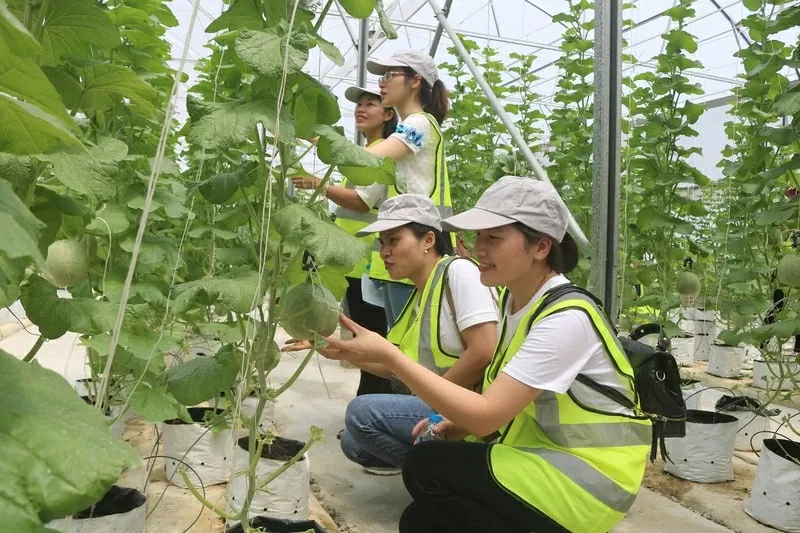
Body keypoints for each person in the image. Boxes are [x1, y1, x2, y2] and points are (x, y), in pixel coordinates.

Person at [316, 176, 652, 532]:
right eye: (478, 236)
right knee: (421, 520)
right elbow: (510, 399)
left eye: (494, 237)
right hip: (542, 458)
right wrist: (454, 422)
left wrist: (391, 356)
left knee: (426, 465)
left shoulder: (566, 319)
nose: (479, 248)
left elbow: (486, 416)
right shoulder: (515, 300)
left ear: (540, 247)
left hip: (588, 484)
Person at [337, 193, 498, 476]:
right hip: (445, 400)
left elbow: (485, 349)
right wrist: (337, 349)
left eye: (394, 240)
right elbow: (396, 367)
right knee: (355, 443)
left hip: (468, 407)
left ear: (428, 240)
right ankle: (441, 469)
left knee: (362, 414)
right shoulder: (420, 294)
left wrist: (438, 400)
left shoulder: (460, 272)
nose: (384, 252)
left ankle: (458, 476)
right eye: (381, 243)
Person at [291, 87, 398, 397]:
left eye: (370, 105)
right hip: (353, 262)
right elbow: (338, 152)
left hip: (370, 261)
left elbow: (363, 202)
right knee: (361, 334)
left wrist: (318, 185)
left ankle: (372, 405)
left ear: (388, 114)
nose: (360, 109)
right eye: (358, 105)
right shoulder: (363, 153)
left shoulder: (383, 153)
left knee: (372, 335)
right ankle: (368, 403)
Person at [361, 49, 455, 329]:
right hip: (405, 239)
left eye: (390, 75)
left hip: (416, 242)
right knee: (402, 336)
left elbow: (372, 158)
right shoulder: (409, 126)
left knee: (411, 335)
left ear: (415, 81)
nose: (382, 83)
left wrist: (324, 141)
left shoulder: (420, 123)